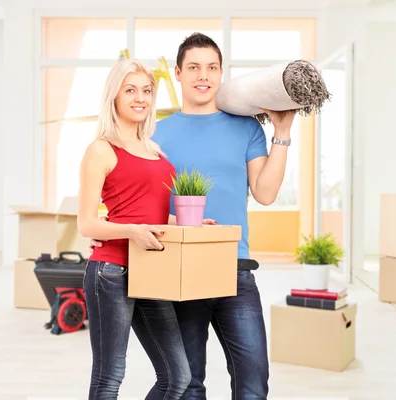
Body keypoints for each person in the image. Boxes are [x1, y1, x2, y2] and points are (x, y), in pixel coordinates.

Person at [91, 33, 295, 400]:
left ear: (221, 73)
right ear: (178, 74)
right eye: (194, 67)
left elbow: (265, 193)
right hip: (179, 268)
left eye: (212, 67)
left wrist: (282, 132)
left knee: (253, 380)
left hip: (236, 267)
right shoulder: (153, 132)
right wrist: (105, 227)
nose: (204, 75)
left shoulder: (247, 127)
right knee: (188, 384)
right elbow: (123, 184)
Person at [77, 58, 191, 400]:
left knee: (177, 377)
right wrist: (132, 232)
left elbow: (147, 215)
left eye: (146, 91)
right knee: (110, 376)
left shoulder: (156, 152)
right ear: (114, 96)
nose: (140, 98)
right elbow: (86, 224)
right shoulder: (101, 149)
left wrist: (184, 223)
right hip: (110, 271)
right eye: (130, 90)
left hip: (151, 269)